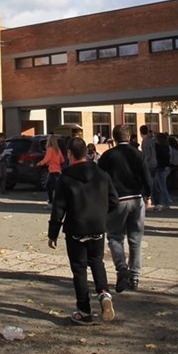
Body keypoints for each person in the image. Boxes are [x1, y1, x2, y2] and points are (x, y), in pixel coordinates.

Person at [48, 137, 119, 325]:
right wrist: (102, 215)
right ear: (86, 152)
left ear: (70, 154)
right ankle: (104, 293)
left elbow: (59, 208)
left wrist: (52, 233)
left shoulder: (66, 177)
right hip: (97, 226)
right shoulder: (102, 174)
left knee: (79, 269)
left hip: (76, 228)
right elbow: (114, 201)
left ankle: (84, 311)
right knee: (97, 262)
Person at [97, 124, 152, 293]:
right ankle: (134, 277)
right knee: (135, 239)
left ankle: (121, 267)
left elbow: (100, 179)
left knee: (114, 237)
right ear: (129, 137)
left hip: (115, 200)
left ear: (114, 137)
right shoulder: (138, 154)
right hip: (136, 198)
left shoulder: (107, 156)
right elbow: (146, 177)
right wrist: (148, 195)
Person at [38, 134, 65, 208]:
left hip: (52, 171)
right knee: (52, 187)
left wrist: (40, 163)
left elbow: (46, 159)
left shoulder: (50, 149)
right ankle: (52, 202)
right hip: (58, 170)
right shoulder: (58, 150)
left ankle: (53, 203)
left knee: (51, 187)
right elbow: (62, 160)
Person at [153, 133, 172, 211]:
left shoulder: (158, 147)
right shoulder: (166, 147)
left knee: (159, 185)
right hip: (163, 167)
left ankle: (164, 202)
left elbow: (158, 156)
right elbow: (167, 157)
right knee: (163, 185)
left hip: (159, 166)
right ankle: (166, 201)